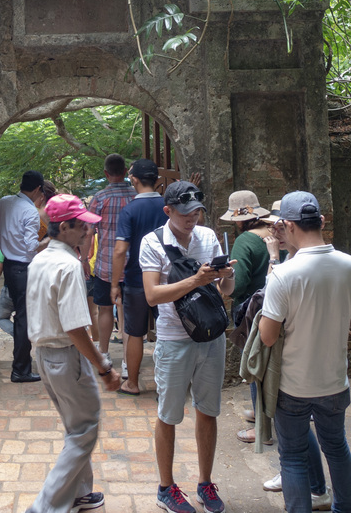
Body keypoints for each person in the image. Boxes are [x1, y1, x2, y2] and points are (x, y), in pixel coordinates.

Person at [258, 191, 351, 513]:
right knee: (336, 447)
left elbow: (267, 337)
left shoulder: (284, 274)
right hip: (334, 381)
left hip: (293, 385)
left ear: (288, 226)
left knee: (293, 457)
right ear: (320, 221)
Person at [23, 194, 123, 513]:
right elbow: (76, 329)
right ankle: (45, 506)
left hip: (45, 355)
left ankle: (79, 492)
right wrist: (103, 367)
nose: (87, 231)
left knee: (75, 426)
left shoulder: (40, 259)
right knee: (84, 430)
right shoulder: (68, 266)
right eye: (81, 226)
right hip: (66, 357)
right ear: (64, 227)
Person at [140, 180, 234, 513]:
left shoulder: (207, 237)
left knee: (208, 411)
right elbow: (152, 295)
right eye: (184, 214)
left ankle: (205, 483)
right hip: (173, 339)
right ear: (168, 211)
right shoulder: (152, 243)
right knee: (169, 415)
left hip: (211, 336)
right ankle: (166, 488)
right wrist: (196, 279)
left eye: (196, 212)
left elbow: (225, 290)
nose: (192, 218)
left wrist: (226, 275)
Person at [219, 190, 275, 445]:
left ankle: (262, 428)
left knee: (255, 365)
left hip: (252, 311)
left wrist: (222, 280)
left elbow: (238, 285)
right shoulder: (273, 233)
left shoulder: (245, 241)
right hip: (276, 307)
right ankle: (261, 411)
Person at [111, 158, 168, 395]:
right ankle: (169, 384)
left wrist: (114, 284)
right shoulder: (168, 206)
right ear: (157, 179)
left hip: (136, 279)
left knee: (135, 332)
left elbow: (120, 250)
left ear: (133, 179)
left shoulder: (130, 210)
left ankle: (132, 383)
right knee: (169, 330)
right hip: (166, 280)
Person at [0, 170, 49, 382]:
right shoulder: (30, 211)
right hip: (24, 268)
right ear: (38, 189)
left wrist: (8, 235)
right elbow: (32, 246)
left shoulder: (5, 202)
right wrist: (49, 241)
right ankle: (20, 370)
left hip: (9, 267)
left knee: (21, 317)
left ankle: (21, 366)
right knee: (24, 319)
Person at [87, 154, 136, 357]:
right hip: (133, 265)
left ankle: (104, 354)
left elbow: (88, 232)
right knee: (129, 313)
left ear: (106, 174)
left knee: (105, 309)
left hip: (106, 266)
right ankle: (128, 360)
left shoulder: (99, 198)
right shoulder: (135, 196)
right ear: (125, 172)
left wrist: (84, 259)